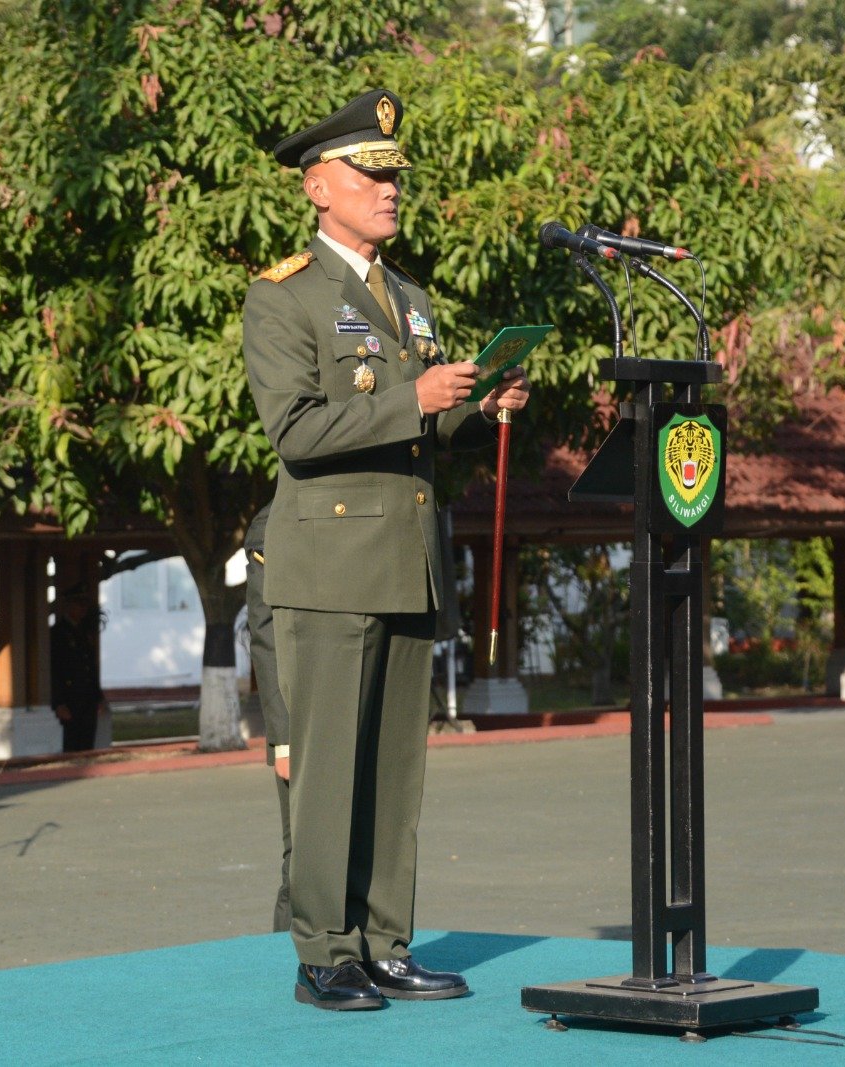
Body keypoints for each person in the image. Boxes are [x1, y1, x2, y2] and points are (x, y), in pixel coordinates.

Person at [242, 88, 530, 1010]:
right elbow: (298, 432)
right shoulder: (282, 296)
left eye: (395, 174)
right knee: (329, 767)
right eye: (372, 173)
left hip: (406, 556)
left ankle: (385, 942)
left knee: (396, 768)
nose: (390, 189)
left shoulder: (410, 297)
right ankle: (325, 950)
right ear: (318, 186)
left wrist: (475, 409)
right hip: (326, 566)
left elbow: (417, 436)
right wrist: (419, 399)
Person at [243, 505, 292, 932]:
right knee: (305, 861)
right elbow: (268, 638)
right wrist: (284, 739)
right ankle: (293, 959)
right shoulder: (274, 522)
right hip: (303, 723)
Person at [50, 588, 106, 753]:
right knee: (71, 745)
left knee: (87, 744)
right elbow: (54, 670)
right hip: (70, 700)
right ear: (68, 605)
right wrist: (58, 703)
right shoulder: (58, 634)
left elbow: (90, 668)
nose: (82, 609)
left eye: (84, 604)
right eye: (78, 604)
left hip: (87, 700)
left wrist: (98, 697)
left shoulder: (83, 633)